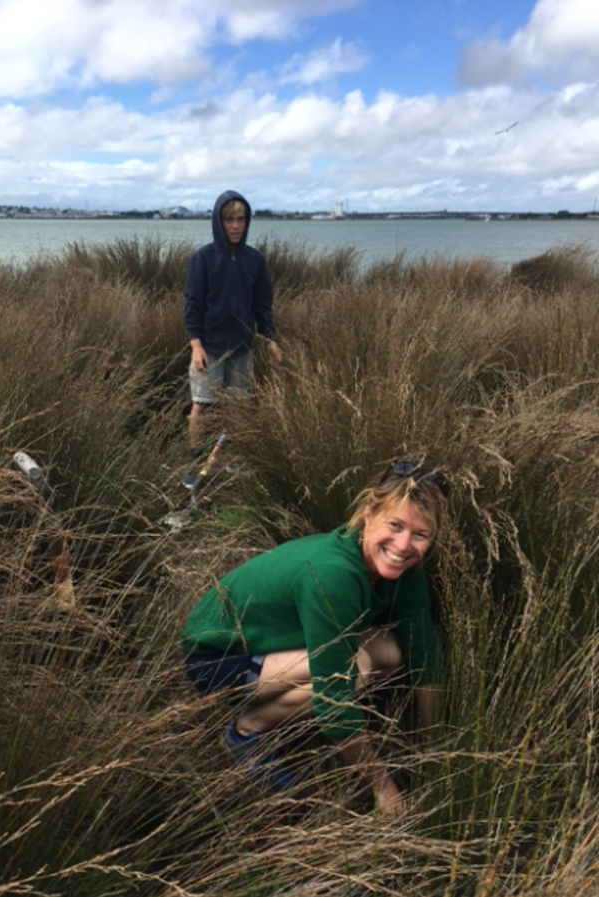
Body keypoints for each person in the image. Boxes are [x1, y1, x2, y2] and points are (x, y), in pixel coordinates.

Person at [181, 462, 449, 814]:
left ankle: (294, 721)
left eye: (420, 534)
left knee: (391, 652)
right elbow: (333, 701)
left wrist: (434, 746)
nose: (403, 545)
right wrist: (384, 789)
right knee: (355, 671)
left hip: (278, 649)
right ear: (368, 515)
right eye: (395, 526)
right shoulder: (333, 574)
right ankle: (247, 732)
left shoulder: (404, 569)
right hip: (217, 655)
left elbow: (422, 652)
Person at [182, 189, 282, 488]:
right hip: (209, 347)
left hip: (242, 347)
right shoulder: (203, 258)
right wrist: (196, 345)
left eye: (240, 219)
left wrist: (270, 339)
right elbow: (192, 304)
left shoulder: (255, 261)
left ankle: (238, 456)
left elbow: (262, 306)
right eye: (229, 220)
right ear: (218, 222)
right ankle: (195, 459)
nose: (235, 225)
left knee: (240, 406)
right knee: (202, 404)